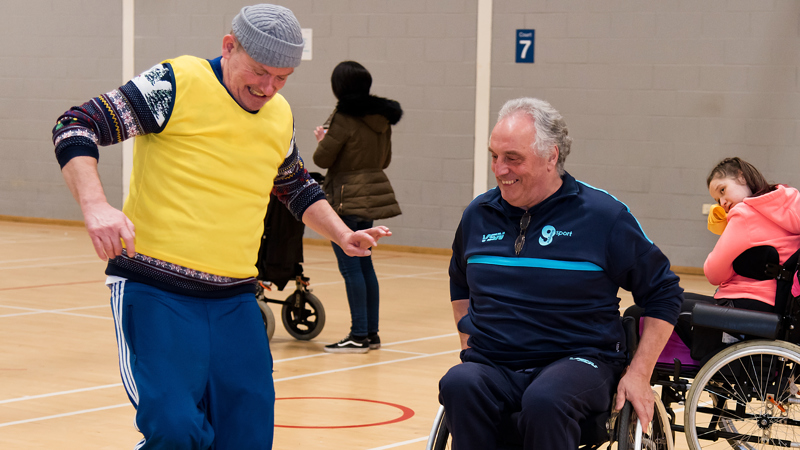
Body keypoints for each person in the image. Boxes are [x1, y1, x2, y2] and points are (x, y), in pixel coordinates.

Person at [51, 5, 390, 449]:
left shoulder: (278, 114)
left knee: (247, 433)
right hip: (156, 291)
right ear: (229, 47)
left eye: (283, 78)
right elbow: (75, 125)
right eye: (260, 72)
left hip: (235, 300)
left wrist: (343, 234)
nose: (268, 88)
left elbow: (295, 187)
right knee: (174, 430)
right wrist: (95, 205)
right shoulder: (175, 83)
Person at [438, 97, 683, 449]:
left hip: (579, 360)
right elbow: (460, 279)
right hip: (495, 362)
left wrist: (640, 373)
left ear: (551, 156)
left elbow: (663, 292)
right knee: (459, 383)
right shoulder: (478, 214)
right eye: (494, 156)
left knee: (546, 399)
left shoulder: (603, 216)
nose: (499, 169)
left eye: (513, 158)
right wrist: (468, 340)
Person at [312, 61, 402, 354]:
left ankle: (358, 335)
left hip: (345, 195)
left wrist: (323, 140)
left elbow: (322, 159)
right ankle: (371, 333)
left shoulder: (344, 118)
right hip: (371, 195)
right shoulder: (382, 118)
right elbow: (385, 160)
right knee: (365, 264)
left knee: (351, 266)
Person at [674, 157, 800, 349]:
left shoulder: (745, 214)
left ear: (741, 177)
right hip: (776, 306)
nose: (722, 202)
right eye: (717, 199)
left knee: (659, 306)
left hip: (747, 304)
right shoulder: (790, 203)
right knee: (677, 299)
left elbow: (713, 273)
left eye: (722, 190)